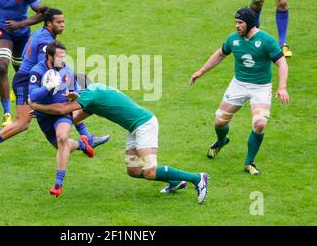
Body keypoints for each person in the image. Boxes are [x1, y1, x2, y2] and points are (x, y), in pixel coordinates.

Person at [29, 76, 209, 204]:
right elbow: (72, 118)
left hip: (145, 126)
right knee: (134, 170)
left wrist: (38, 107)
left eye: (70, 89)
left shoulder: (90, 94)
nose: (67, 93)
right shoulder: (93, 96)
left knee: (149, 171)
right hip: (134, 130)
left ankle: (197, 178)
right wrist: (45, 116)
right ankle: (175, 181)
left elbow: (63, 111)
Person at [0, 9, 109, 165]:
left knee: (66, 107)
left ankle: (86, 139)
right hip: (29, 82)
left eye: (63, 21)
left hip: (26, 79)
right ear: (48, 23)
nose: (63, 25)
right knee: (23, 122)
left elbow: (29, 57)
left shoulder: (39, 33)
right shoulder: (46, 43)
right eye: (59, 22)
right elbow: (46, 71)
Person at [190, 7, 290, 175]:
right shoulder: (233, 39)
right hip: (239, 85)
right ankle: (221, 141)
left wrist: (282, 86)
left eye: (240, 23)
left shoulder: (266, 40)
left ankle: (249, 162)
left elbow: (282, 63)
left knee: (260, 123)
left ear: (250, 23)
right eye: (236, 22)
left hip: (261, 87)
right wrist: (201, 71)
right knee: (219, 122)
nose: (237, 26)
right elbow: (220, 54)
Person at [28, 41, 109, 198]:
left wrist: (74, 95)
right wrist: (48, 86)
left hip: (62, 112)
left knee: (62, 138)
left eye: (64, 56)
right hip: (43, 116)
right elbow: (33, 96)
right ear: (49, 56)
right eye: (60, 56)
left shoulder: (68, 70)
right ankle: (82, 144)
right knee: (61, 147)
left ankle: (58, 184)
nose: (63, 60)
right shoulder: (37, 71)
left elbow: (77, 92)